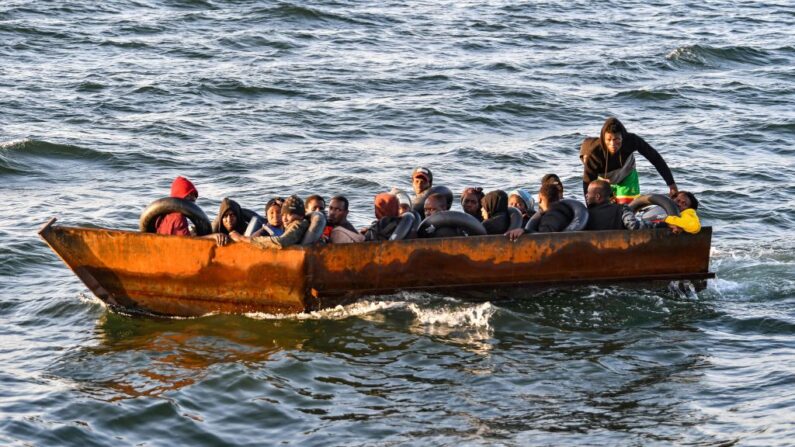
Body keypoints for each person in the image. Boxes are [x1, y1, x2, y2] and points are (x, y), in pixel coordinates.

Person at [580, 117, 678, 204]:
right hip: (604, 179)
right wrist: (590, 209)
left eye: (616, 139)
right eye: (608, 139)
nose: (613, 144)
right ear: (603, 138)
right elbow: (587, 183)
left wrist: (671, 184)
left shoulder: (632, 140)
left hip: (626, 174)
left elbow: (655, 158)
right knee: (602, 207)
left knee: (626, 209)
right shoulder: (594, 153)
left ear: (623, 137)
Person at [230, 195, 309, 249]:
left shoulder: (298, 224)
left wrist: (242, 238)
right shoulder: (267, 229)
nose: (284, 219)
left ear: (301, 215)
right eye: (283, 214)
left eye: (290, 214)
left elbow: (281, 242)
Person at [505, 183, 573, 240]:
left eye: (519, 204)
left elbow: (545, 237)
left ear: (540, 199)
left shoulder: (550, 216)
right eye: (511, 204)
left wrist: (524, 231)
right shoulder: (566, 212)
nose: (514, 206)